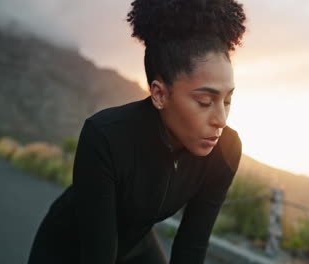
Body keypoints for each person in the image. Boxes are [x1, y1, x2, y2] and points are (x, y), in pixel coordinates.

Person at [27, 0, 247, 263]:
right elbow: (98, 255)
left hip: (137, 246)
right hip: (68, 250)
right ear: (159, 94)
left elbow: (192, 245)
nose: (221, 120)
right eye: (204, 102)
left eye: (227, 100)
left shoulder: (225, 149)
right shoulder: (105, 137)